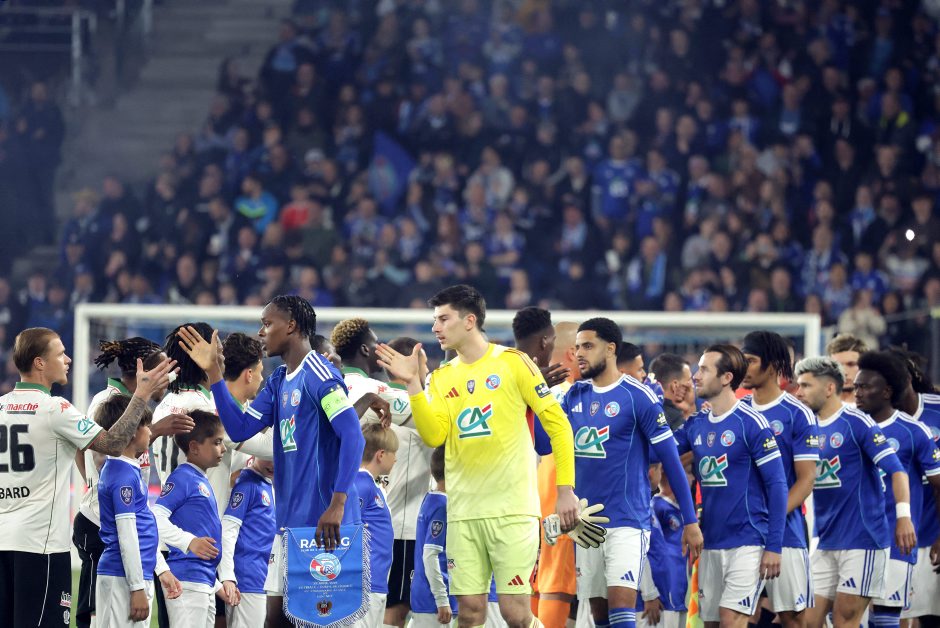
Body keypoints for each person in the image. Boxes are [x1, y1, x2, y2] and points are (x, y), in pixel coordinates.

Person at [376, 284, 580, 628]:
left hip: (512, 512)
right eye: (435, 320)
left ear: (469, 321)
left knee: (516, 614)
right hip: (463, 513)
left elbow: (559, 426)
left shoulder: (514, 363)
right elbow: (434, 435)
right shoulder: (441, 378)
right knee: (469, 613)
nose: (435, 327)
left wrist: (565, 489)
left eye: (443, 319)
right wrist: (413, 385)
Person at [175, 295, 368, 628]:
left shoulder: (319, 375)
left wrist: (337, 505)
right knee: (281, 621)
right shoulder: (279, 381)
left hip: (325, 526)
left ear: (291, 326)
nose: (261, 332)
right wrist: (215, 374)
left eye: (267, 324)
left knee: (321, 622)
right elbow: (239, 429)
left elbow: (353, 436)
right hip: (292, 527)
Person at [0, 327, 175, 628]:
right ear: (40, 363)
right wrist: (141, 395)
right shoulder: (56, 409)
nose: (68, 360)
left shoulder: (2, 405)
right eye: (60, 354)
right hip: (40, 545)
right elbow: (113, 444)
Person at [559, 318, 702, 628]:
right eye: (577, 347)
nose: (579, 353)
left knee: (621, 609)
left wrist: (690, 521)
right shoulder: (573, 396)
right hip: (587, 522)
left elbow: (671, 462)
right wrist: (540, 399)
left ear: (610, 349)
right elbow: (545, 445)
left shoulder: (638, 397)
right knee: (599, 616)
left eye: (588, 346)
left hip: (627, 520)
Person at [75, 337, 193, 628]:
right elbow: (101, 451)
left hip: (120, 518)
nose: (170, 378)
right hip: (103, 524)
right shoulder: (107, 402)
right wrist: (156, 430)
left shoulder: (133, 404)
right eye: (164, 370)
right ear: (144, 372)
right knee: (99, 616)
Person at [673, 344, 788, 628]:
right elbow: (659, 452)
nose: (695, 376)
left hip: (747, 540)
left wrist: (774, 546)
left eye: (704, 369)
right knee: (711, 623)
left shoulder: (752, 423)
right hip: (709, 541)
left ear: (726, 378)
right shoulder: (696, 424)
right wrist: (658, 409)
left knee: (730, 619)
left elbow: (777, 485)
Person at [793, 357, 913, 628]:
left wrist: (903, 516)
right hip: (825, 540)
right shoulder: (805, 427)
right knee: (807, 621)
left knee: (845, 621)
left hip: (863, 540)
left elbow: (897, 471)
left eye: (806, 385)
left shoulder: (856, 422)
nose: (799, 392)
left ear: (829, 388)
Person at [852, 352, 939, 628]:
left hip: (900, 539)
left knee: (891, 618)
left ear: (888, 391)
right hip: (851, 541)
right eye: (855, 387)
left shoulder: (914, 430)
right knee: (842, 617)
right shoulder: (849, 424)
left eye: (865, 387)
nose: (857, 393)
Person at [739, 331, 819, 627]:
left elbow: (806, 480)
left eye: (750, 360)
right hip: (739, 534)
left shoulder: (798, 414)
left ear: (772, 366)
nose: (743, 367)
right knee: (733, 617)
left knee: (793, 619)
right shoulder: (737, 412)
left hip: (785, 533)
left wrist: (770, 518)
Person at [95, 395, 182, 628]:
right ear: (133, 431)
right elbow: (127, 534)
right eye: (145, 425)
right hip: (122, 578)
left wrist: (161, 569)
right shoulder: (122, 475)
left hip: (134, 575)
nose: (150, 431)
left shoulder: (127, 469)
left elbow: (143, 528)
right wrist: (136, 588)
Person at [513, 310, 575, 628]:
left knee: (531, 586)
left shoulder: (509, 379)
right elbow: (547, 446)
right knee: (554, 584)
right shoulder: (565, 395)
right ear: (571, 353)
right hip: (551, 502)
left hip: (523, 503)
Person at [153, 410, 234, 627]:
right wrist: (188, 541)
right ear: (195, 447)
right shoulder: (183, 478)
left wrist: (216, 586)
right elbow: (155, 518)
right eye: (217, 442)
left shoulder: (200, 479)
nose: (223, 448)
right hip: (187, 583)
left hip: (202, 582)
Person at [380, 336, 435, 628]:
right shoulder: (412, 408)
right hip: (404, 528)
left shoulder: (381, 402)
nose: (428, 369)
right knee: (397, 609)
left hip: (389, 522)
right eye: (424, 363)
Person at [886, 348, 940, 623]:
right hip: (901, 533)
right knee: (898, 614)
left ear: (909, 378)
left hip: (934, 528)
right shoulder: (876, 418)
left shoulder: (936, 409)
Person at [219, 456, 276, 628]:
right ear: (255, 454)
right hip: (248, 578)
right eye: (267, 458)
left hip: (263, 577)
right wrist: (227, 576)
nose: (272, 464)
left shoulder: (268, 484)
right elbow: (227, 531)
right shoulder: (247, 484)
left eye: (276, 458)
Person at [354, 424, 398, 627]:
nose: (395, 459)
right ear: (381, 455)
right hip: (363, 584)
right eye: (393, 453)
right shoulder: (360, 483)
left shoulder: (373, 486)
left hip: (377, 582)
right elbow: (347, 529)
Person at [411, 446, 458, 628]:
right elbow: (430, 555)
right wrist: (441, 599)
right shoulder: (442, 506)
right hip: (434, 602)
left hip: (427, 596)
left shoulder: (430, 498)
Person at [637, 464, 688, 628]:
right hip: (648, 599)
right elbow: (640, 551)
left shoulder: (646, 505)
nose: (692, 478)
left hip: (665, 592)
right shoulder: (649, 505)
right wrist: (649, 593)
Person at [647, 353, 694, 431]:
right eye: (689, 380)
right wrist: (689, 412)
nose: (692, 385)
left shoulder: (643, 410)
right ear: (675, 386)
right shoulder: (673, 419)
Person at [826, 334, 869, 405]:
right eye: (837, 365)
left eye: (851, 364)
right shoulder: (818, 407)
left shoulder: (877, 408)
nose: (844, 372)